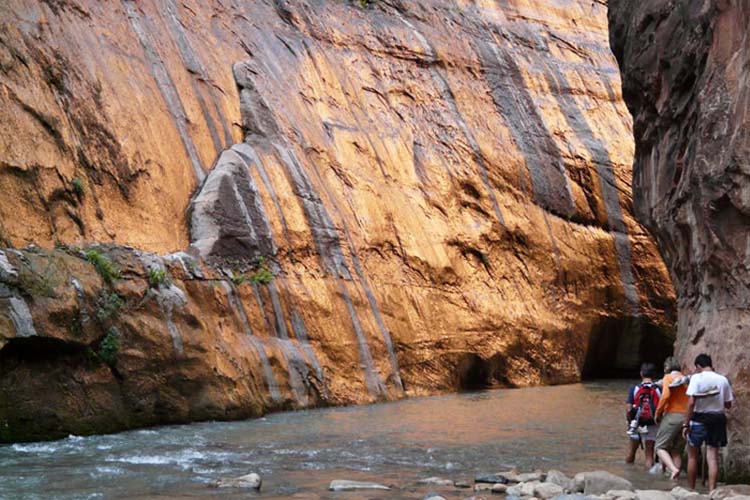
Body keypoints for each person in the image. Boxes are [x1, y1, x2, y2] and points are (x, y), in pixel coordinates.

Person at [682, 353, 734, 491]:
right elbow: (728, 404)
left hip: (699, 418)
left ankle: (691, 490)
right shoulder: (723, 380)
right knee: (712, 457)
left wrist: (686, 424)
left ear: (698, 366)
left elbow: (691, 402)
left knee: (692, 456)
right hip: (717, 419)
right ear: (710, 364)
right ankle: (712, 492)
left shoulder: (696, 378)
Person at [654, 356, 689, 479]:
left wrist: (658, 412)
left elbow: (665, 395)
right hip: (687, 418)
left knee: (659, 446)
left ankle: (673, 470)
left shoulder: (668, 378)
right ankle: (675, 479)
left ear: (666, 368)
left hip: (673, 415)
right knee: (676, 450)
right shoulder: (685, 379)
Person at [626, 363, 661, 468]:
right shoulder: (659, 389)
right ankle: (649, 478)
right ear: (654, 374)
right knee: (649, 453)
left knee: (631, 452)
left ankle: (629, 473)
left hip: (637, 422)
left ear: (641, 373)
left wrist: (630, 422)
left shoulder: (634, 388)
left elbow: (628, 409)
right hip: (652, 422)